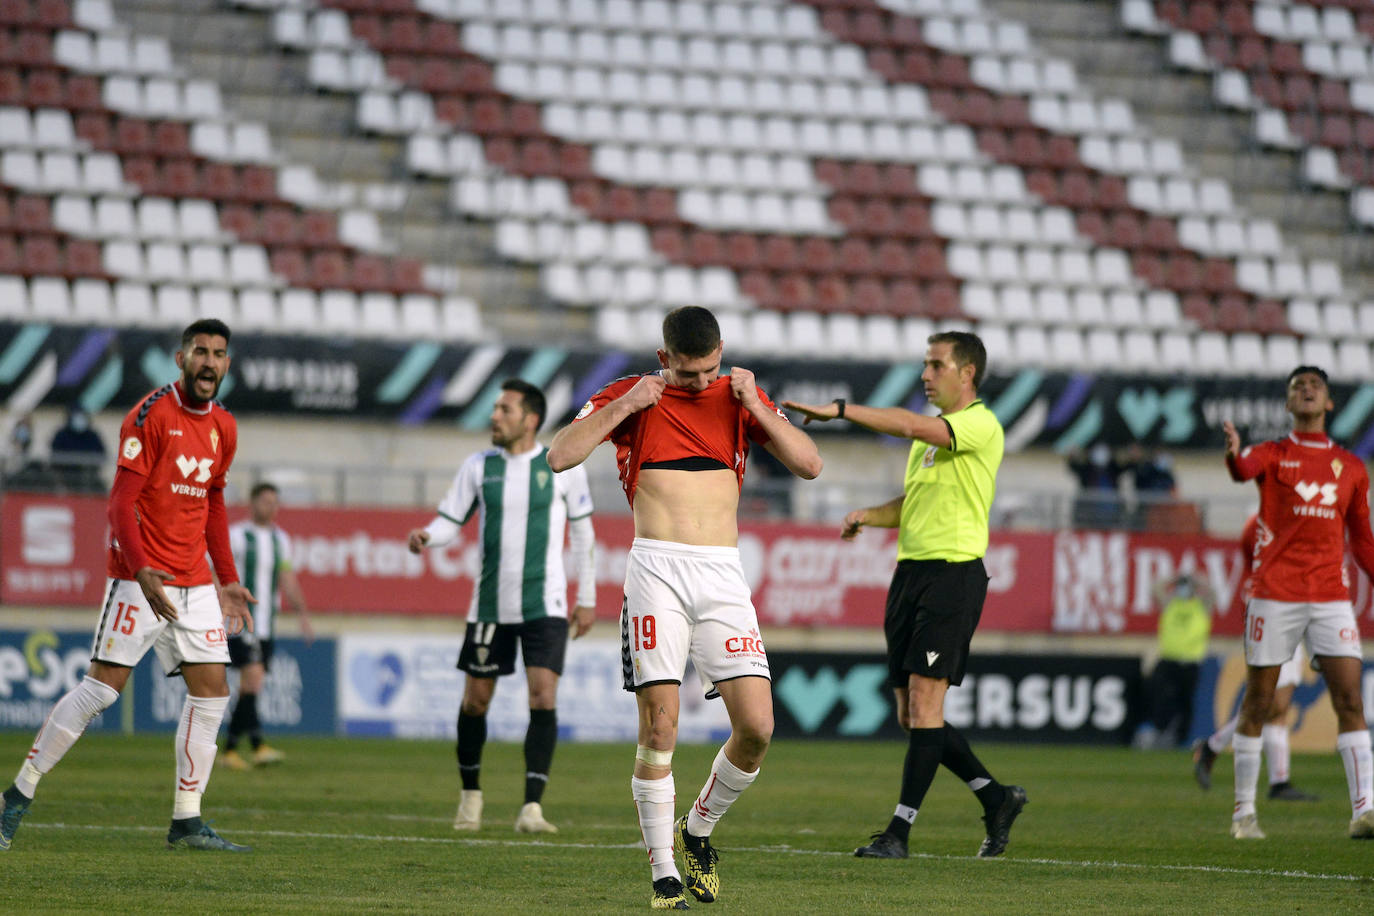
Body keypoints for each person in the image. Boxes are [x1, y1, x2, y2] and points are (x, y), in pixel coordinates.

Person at [547, 306, 822, 910]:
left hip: (722, 574)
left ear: (721, 352)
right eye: (688, 372)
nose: (700, 383)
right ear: (663, 357)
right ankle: (663, 873)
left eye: (709, 370)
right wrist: (627, 405)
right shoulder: (631, 395)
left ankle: (696, 829)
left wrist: (755, 407)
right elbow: (559, 455)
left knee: (758, 728)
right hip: (657, 570)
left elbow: (809, 465)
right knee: (660, 727)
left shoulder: (739, 396)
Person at [0, 318, 255, 853]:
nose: (209, 362)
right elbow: (119, 504)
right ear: (181, 358)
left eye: (218, 354)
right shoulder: (150, 415)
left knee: (212, 692)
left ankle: (186, 820)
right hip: (142, 577)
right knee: (100, 691)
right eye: (200, 352)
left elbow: (213, 503)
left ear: (227, 364)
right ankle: (16, 795)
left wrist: (228, 579)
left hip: (195, 582)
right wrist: (140, 569)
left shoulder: (225, 427)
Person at [784, 331, 1027, 861]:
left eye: (936, 365)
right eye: (925, 364)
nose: (925, 374)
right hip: (910, 575)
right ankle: (997, 797)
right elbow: (915, 500)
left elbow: (912, 424)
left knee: (924, 704)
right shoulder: (931, 441)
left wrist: (842, 410)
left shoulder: (979, 424)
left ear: (967, 373)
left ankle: (898, 833)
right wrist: (869, 516)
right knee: (912, 716)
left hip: (953, 575)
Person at [408, 379, 598, 837]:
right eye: (495, 409)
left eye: (504, 409)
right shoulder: (478, 466)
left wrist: (587, 598)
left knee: (543, 697)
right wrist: (428, 536)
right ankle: (471, 795)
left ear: (530, 419)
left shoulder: (563, 466)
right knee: (475, 702)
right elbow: (450, 520)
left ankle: (532, 806)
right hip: (490, 606)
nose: (494, 416)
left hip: (545, 603)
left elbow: (584, 534)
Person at [1222, 365, 1374, 840]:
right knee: (1260, 703)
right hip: (1276, 595)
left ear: (1328, 402)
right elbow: (1241, 470)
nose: (1306, 390)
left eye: (1315, 386)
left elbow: (1362, 539)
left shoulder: (1351, 467)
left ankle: (1364, 811)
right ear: (1288, 403)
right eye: (1297, 387)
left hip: (1330, 596)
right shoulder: (1271, 454)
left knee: (1350, 699)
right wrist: (1232, 455)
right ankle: (1244, 813)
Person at [1192, 515, 1317, 801]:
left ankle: (1279, 781)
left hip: (1293, 615)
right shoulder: (1263, 524)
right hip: (1272, 615)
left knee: (1279, 707)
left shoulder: (1299, 521)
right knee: (1268, 702)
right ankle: (1212, 747)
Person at [221, 481, 313, 771]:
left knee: (252, 685)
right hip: (242, 621)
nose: (271, 507)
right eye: (266, 502)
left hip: (266, 625)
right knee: (254, 678)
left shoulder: (280, 539)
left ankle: (252, 746)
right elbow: (215, 572)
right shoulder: (237, 535)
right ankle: (236, 749)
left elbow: (287, 578)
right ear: (252, 503)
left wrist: (302, 614)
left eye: (275, 503)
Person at [1135, 572, 1214, 749]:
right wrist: (1174, 578)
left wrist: (1196, 581)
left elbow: (1213, 593)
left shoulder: (1201, 606)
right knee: (1159, 696)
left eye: (1186, 587)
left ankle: (1181, 738)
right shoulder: (1171, 603)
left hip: (1190, 662)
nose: (1183, 590)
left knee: (1186, 701)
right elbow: (1155, 588)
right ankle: (1158, 731)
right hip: (1168, 660)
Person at [1066, 442, 1127, 529]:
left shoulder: (1113, 469)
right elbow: (1073, 467)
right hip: (1090, 513)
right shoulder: (1086, 469)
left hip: (1110, 513)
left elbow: (1127, 467)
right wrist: (1071, 457)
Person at [49, 404, 107, 492]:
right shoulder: (61, 435)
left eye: (82, 416)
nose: (79, 420)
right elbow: (55, 455)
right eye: (76, 416)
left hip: (88, 476)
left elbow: (101, 454)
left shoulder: (92, 436)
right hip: (65, 475)